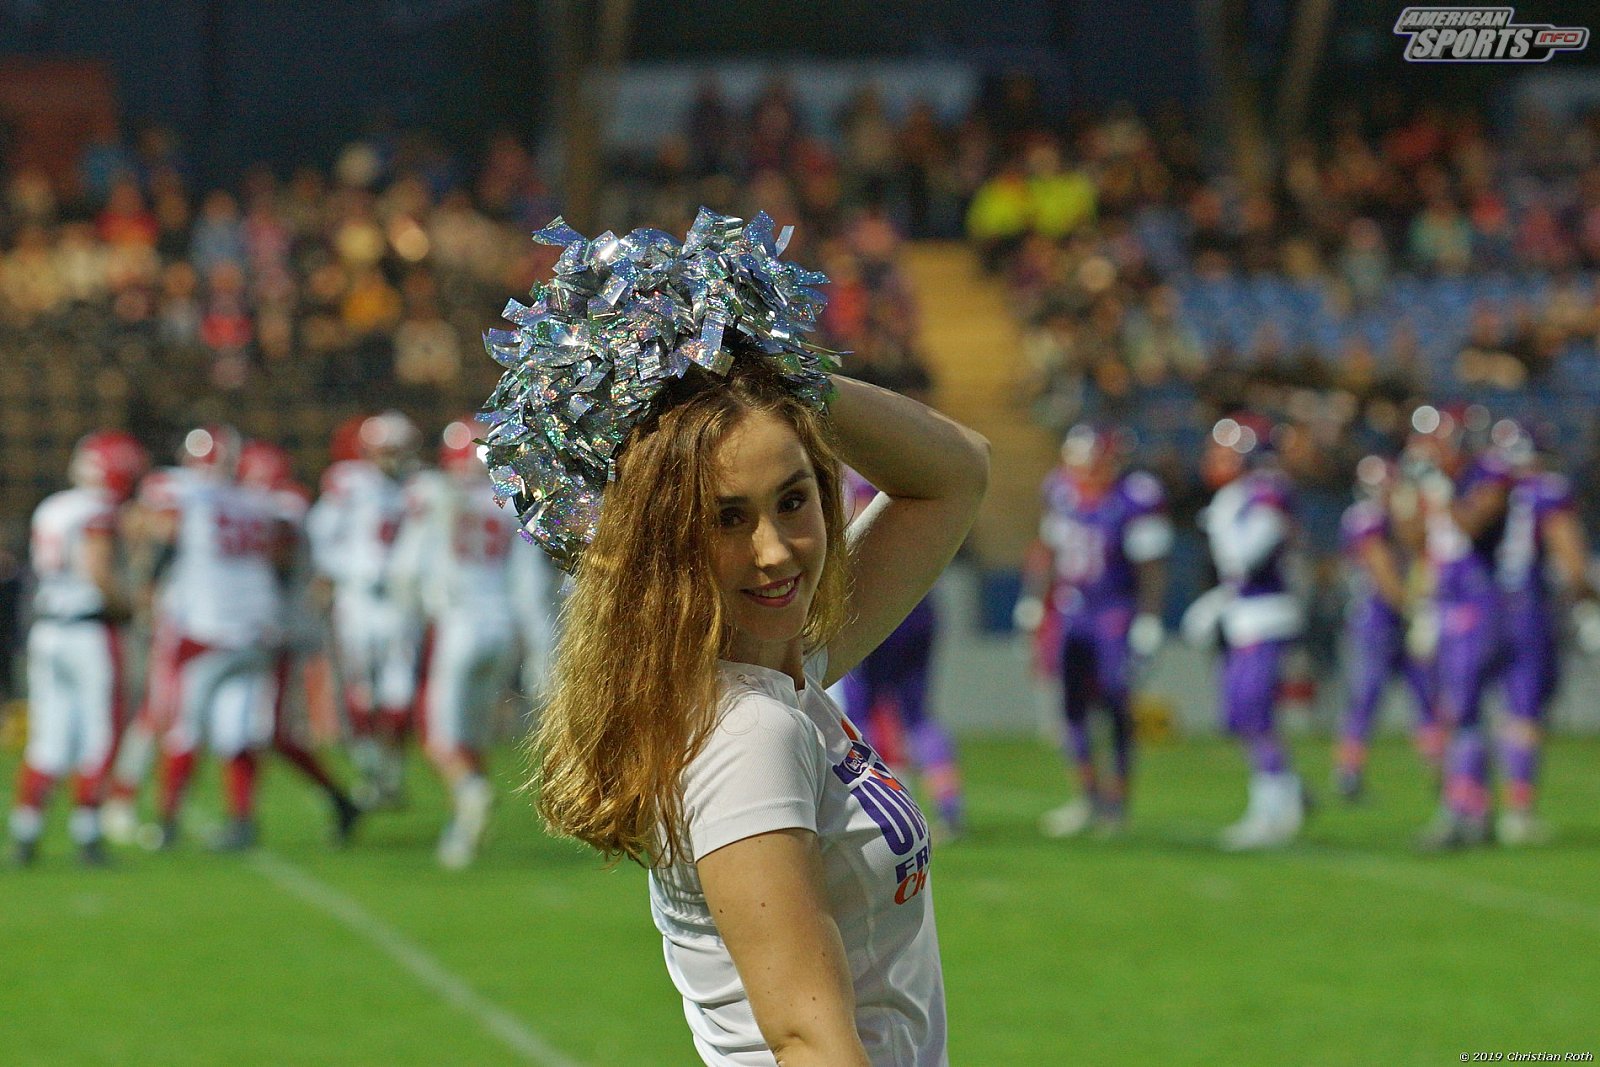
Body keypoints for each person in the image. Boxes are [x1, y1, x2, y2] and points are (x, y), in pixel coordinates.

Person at [494, 212, 987, 1066]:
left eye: (793, 500)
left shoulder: (777, 669)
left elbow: (955, 473)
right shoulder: (746, 732)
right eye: (727, 518)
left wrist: (772, 370)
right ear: (668, 542)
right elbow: (807, 1038)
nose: (775, 550)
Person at [390, 418, 553, 868]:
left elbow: (406, 569)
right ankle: (463, 832)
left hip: (457, 625)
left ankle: (470, 792)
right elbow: (529, 587)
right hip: (502, 628)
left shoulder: (433, 492)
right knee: (473, 734)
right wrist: (541, 651)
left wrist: (404, 622)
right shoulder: (513, 504)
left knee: (439, 737)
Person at [1016, 425, 1170, 837]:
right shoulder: (1061, 492)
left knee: (1115, 701)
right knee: (1071, 706)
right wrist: (1035, 599)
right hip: (1072, 608)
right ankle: (1087, 798)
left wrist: (1150, 618)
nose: (1083, 472)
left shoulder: (1133, 498)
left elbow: (1151, 566)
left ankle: (1116, 805)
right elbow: (1049, 550)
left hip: (1114, 609)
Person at [10, 431, 147, 866]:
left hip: (48, 628)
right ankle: (87, 833)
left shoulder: (53, 506)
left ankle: (26, 831)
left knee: (48, 739)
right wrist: (130, 608)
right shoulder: (97, 511)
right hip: (89, 631)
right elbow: (97, 571)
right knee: (99, 735)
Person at [1183, 414, 1306, 851]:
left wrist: (1221, 596)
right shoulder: (1237, 496)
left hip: (1266, 615)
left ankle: (1274, 807)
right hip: (1243, 614)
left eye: (1225, 452)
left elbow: (1247, 556)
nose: (1214, 459)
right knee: (1241, 715)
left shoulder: (1265, 492)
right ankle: (1283, 793)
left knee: (1254, 714)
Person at [237, 440, 362, 844]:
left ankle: (247, 817)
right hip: (262, 631)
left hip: (278, 633)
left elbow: (279, 558)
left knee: (263, 730)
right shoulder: (272, 505)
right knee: (251, 729)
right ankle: (245, 816)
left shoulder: (284, 507)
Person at [837, 467, 965, 842]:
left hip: (873, 600)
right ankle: (949, 807)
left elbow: (865, 528)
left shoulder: (854, 476)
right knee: (917, 713)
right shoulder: (901, 463)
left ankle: (881, 810)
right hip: (919, 600)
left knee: (860, 714)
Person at [1406, 405, 1513, 849]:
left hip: (1478, 602)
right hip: (1445, 603)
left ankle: (1463, 810)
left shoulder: (1487, 474)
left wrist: (1439, 488)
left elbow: (1470, 525)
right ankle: (1473, 808)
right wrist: (1411, 498)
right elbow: (1415, 540)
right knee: (1451, 710)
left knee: (1461, 709)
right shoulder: (1440, 483)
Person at [307, 410, 425, 809]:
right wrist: (346, 572)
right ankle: (372, 767)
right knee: (360, 688)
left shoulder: (421, 486)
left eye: (397, 449)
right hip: (358, 599)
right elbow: (321, 534)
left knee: (399, 690)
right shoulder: (350, 483)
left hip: (403, 600)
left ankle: (389, 771)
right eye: (385, 449)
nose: (391, 458)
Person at [1489, 421, 1597, 845]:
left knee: (1502, 707)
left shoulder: (1492, 487)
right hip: (1529, 607)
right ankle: (1518, 810)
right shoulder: (1547, 490)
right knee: (1526, 709)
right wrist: (1586, 595)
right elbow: (1567, 550)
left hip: (1488, 603)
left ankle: (1470, 800)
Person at [1334, 455, 1440, 802]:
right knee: (1368, 696)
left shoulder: (1388, 517)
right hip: (1376, 619)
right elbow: (1383, 575)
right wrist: (1414, 608)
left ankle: (1442, 771)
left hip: (1390, 616)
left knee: (1425, 696)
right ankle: (1349, 773)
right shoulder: (1368, 519)